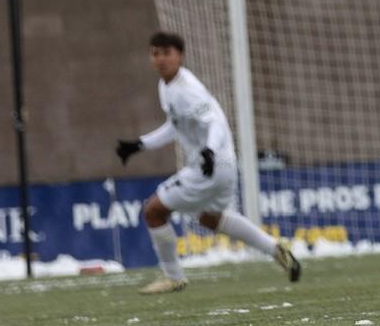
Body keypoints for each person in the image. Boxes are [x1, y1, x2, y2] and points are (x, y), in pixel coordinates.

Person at [115, 30, 300, 295]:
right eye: (155, 54)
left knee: (153, 211)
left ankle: (173, 277)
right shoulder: (166, 87)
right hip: (221, 164)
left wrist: (209, 152)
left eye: (167, 53)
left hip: (211, 163)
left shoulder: (187, 90)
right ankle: (275, 249)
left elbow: (213, 122)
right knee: (210, 218)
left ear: (180, 56)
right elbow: (175, 126)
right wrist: (140, 145)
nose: (160, 59)